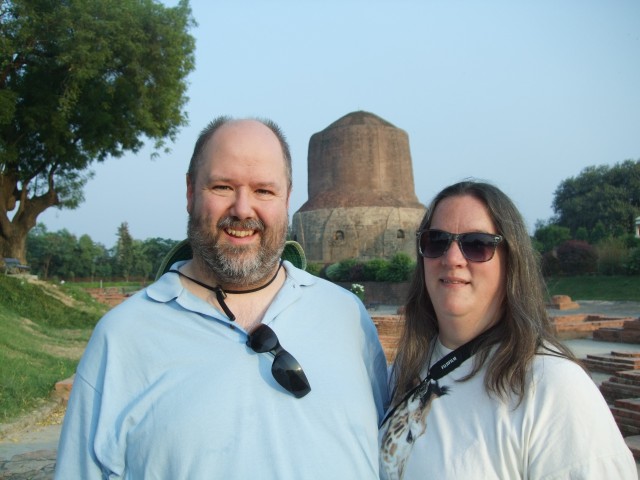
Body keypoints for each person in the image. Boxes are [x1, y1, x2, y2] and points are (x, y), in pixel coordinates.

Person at [55, 116, 389, 479]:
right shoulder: (123, 337)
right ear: (190, 192)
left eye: (264, 191)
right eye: (222, 187)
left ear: (287, 198)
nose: (243, 209)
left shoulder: (346, 317)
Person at [379, 180, 637, 480]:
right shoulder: (407, 368)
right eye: (436, 241)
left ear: (511, 260)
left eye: (477, 244)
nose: (452, 259)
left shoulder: (551, 386)